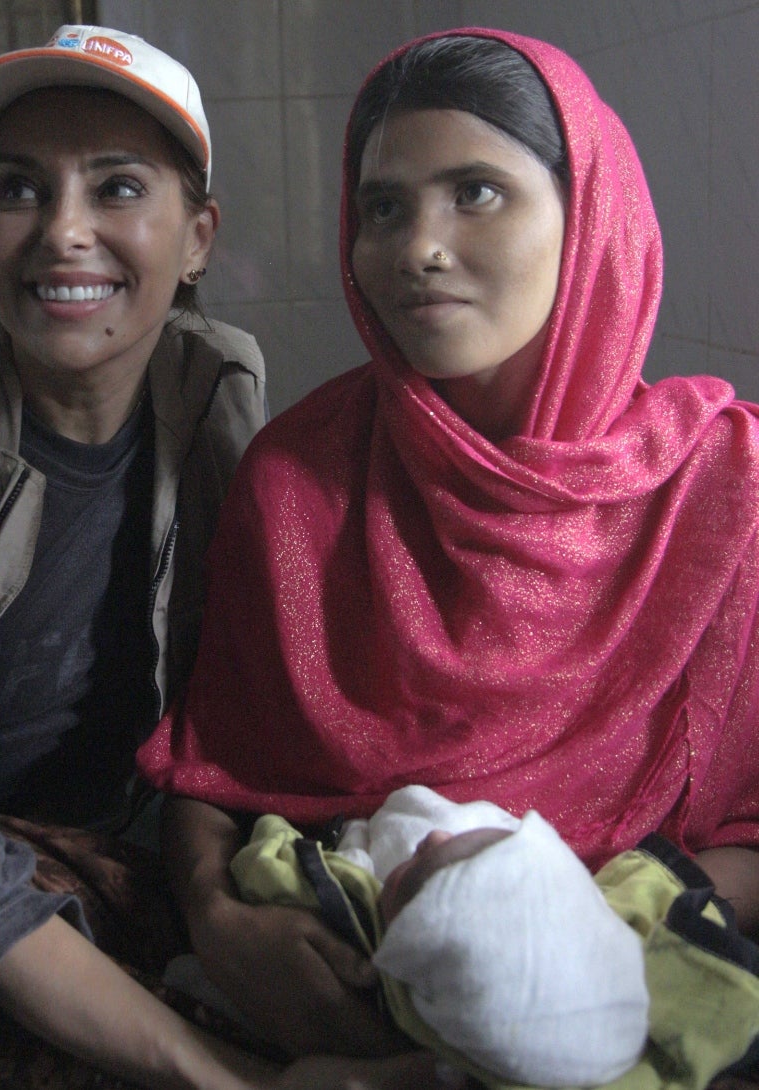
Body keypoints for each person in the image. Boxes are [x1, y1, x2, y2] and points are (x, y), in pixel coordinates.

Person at [137, 25, 759, 1080]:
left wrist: (571, 945)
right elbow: (215, 759)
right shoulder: (299, 481)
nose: (414, 247)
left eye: (475, 192)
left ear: (588, 216)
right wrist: (217, 920)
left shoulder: (724, 494)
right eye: (382, 206)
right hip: (332, 973)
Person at [0, 23, 369, 1090]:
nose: (62, 233)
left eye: (119, 188)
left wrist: (222, 908)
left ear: (198, 238)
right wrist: (234, 1077)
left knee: (351, 908)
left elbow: (226, 706)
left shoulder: (214, 389)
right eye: (18, 189)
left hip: (100, 826)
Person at [230, 786, 650, 1086]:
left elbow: (267, 862)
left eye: (414, 870)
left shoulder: (358, 925)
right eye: (473, 844)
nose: (434, 835)